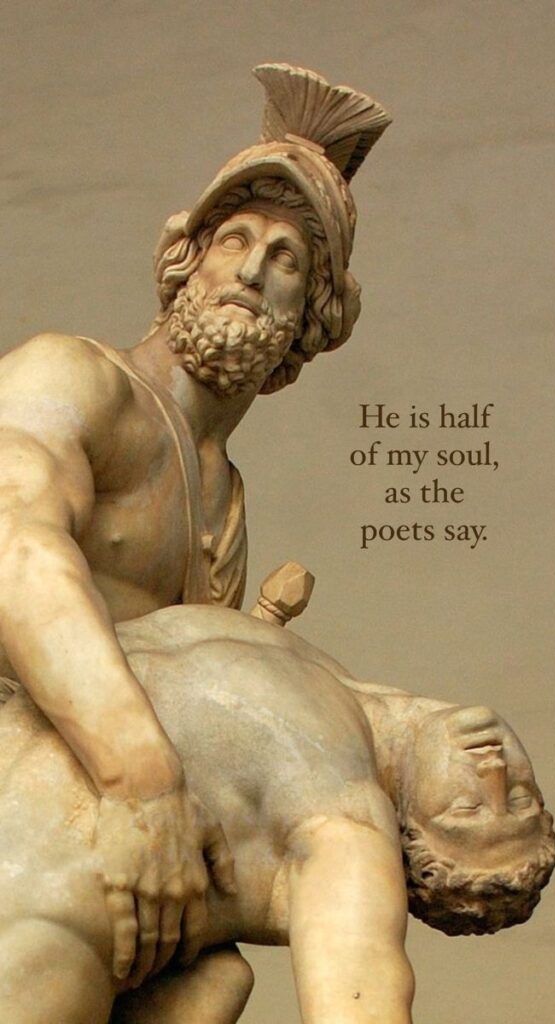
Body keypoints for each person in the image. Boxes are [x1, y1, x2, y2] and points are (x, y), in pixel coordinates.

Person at [0, 64, 392, 984]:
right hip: (27, 792)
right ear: (188, 258)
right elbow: (14, 549)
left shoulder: (223, 498)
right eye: (234, 239)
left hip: (73, 813)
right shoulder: (73, 378)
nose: (251, 270)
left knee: (217, 981)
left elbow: (184, 682)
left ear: (310, 319)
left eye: (287, 259)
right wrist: (142, 780)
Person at [0, 604, 555, 1024]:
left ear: (406, 831)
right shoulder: (341, 691)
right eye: (522, 802)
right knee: (218, 979)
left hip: (38, 928)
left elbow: (363, 994)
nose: (493, 773)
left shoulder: (349, 830)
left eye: (468, 809)